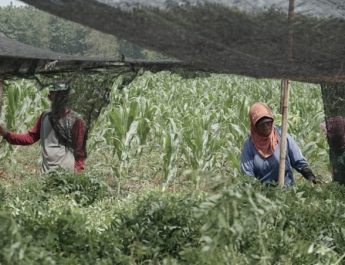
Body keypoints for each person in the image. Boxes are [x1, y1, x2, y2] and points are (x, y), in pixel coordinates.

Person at [0, 82, 87, 173]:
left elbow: (80, 151)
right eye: (56, 94)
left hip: (67, 175)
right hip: (47, 173)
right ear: (50, 97)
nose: (60, 98)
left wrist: (77, 175)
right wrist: (6, 134)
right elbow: (30, 138)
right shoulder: (45, 116)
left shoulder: (76, 120)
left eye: (62, 95)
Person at [240, 102, 318, 186]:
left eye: (268, 123)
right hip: (262, 193)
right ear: (255, 126)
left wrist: (310, 176)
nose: (266, 127)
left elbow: (299, 161)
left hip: (287, 190)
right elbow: (247, 174)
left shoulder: (282, 136)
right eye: (262, 125)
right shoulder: (249, 146)